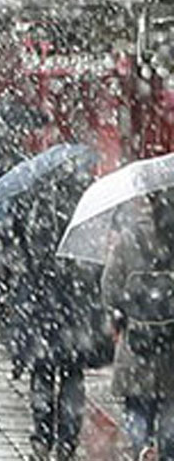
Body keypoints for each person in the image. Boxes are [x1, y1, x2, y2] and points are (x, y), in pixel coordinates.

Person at [6, 178, 99, 461]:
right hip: (74, 315)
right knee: (71, 377)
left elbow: (23, 266)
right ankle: (67, 440)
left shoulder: (36, 222)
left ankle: (42, 435)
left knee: (42, 375)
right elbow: (93, 275)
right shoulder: (85, 221)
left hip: (42, 314)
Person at [102, 193, 174, 461]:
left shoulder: (129, 238)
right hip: (171, 341)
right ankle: (166, 452)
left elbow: (109, 285)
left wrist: (120, 311)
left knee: (137, 405)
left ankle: (141, 447)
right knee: (169, 406)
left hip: (137, 337)